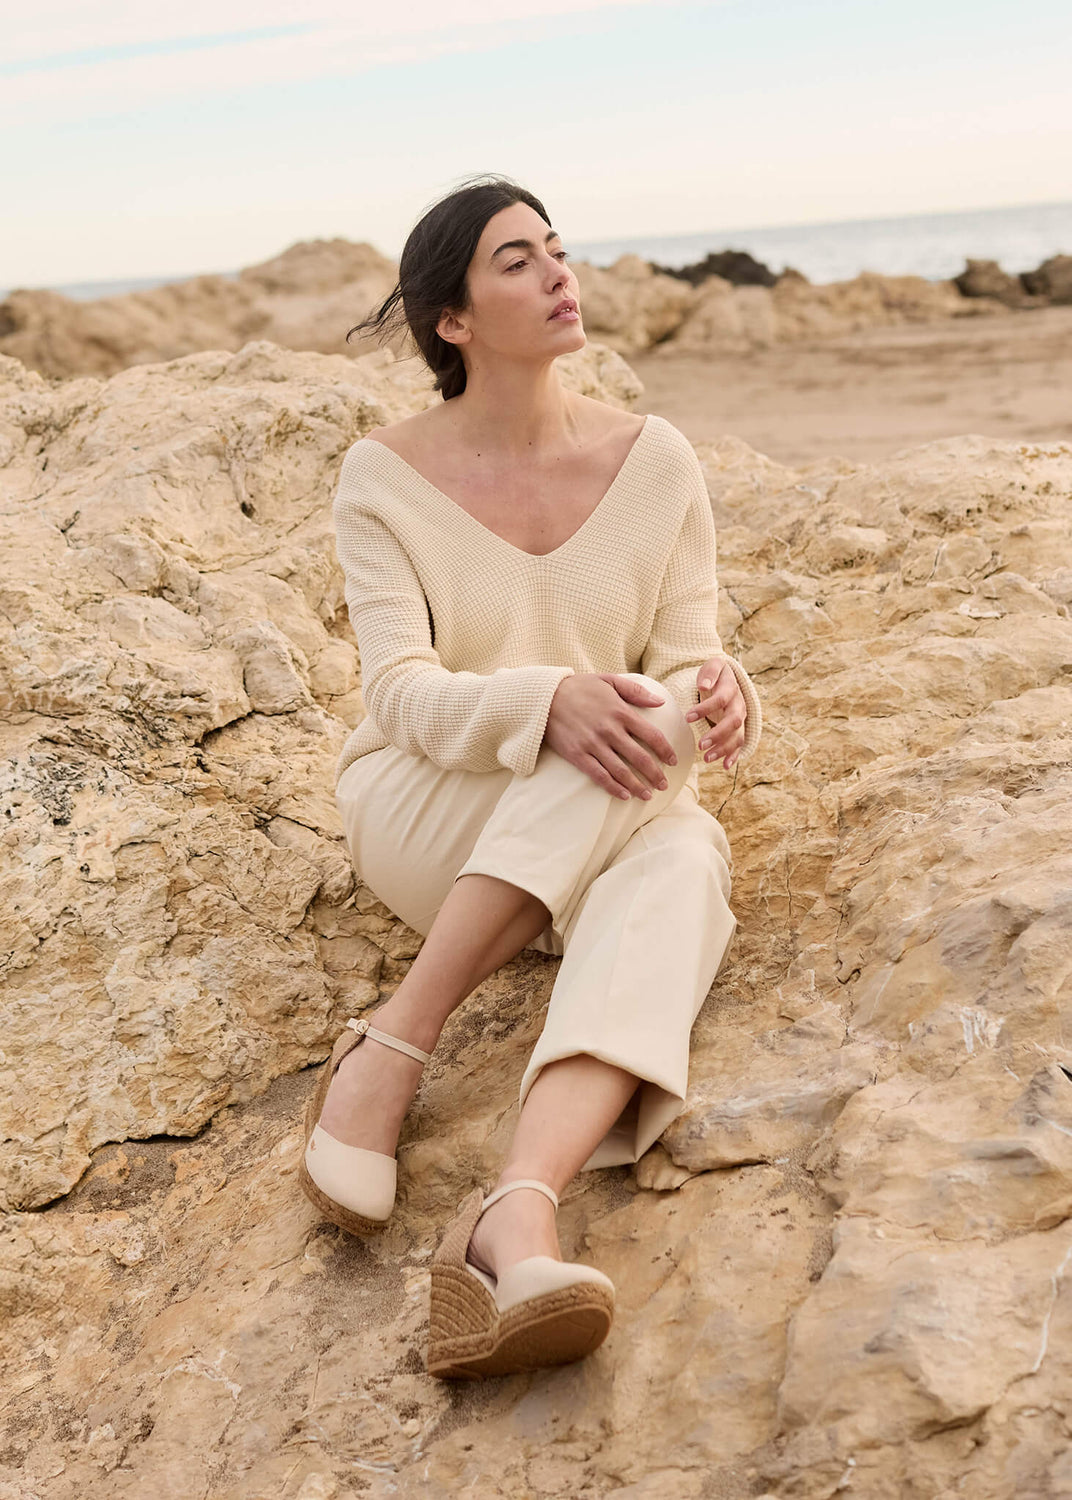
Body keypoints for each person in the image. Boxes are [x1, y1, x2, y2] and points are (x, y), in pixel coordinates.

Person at [298, 173, 762, 1380]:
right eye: (517, 260)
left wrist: (721, 690)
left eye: (558, 250)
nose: (560, 274)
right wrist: (545, 700)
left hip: (605, 810)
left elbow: (685, 652)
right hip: (428, 813)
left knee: (683, 858)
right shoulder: (384, 475)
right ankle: (398, 1039)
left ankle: (516, 1217)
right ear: (449, 318)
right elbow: (396, 694)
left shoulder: (655, 459)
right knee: (647, 766)